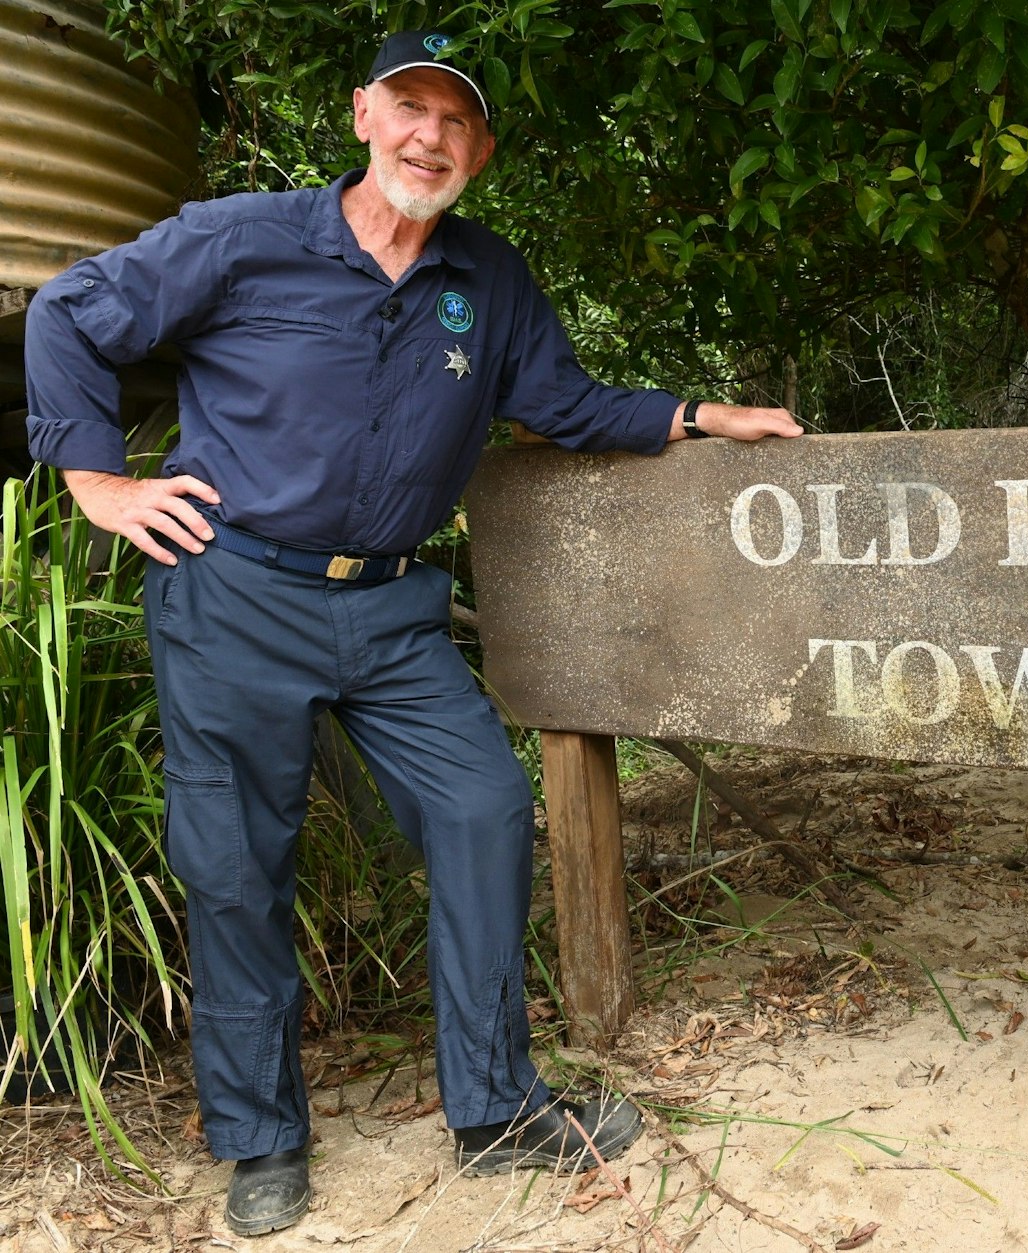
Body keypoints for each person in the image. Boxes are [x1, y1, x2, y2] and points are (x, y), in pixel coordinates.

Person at [23, 30, 802, 1238]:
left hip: (389, 610)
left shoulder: (485, 280)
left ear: (479, 151)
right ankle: (262, 1136)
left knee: (485, 803)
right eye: (409, 109)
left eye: (455, 122)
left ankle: (495, 1109)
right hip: (233, 593)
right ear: (362, 117)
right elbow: (67, 314)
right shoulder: (242, 239)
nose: (429, 136)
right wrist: (97, 484)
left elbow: (564, 402)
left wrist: (697, 413)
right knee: (235, 867)